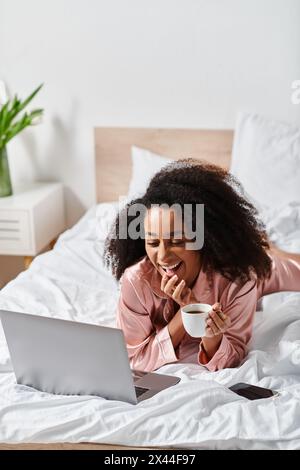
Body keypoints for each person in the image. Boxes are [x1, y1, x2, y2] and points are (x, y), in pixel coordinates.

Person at [104, 159, 300, 372]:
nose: (162, 256)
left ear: (204, 239)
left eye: (177, 242)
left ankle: (269, 248)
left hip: (252, 270)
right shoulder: (136, 281)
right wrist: (187, 312)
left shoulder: (240, 275)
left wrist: (212, 339)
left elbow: (233, 355)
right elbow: (132, 360)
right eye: (152, 242)